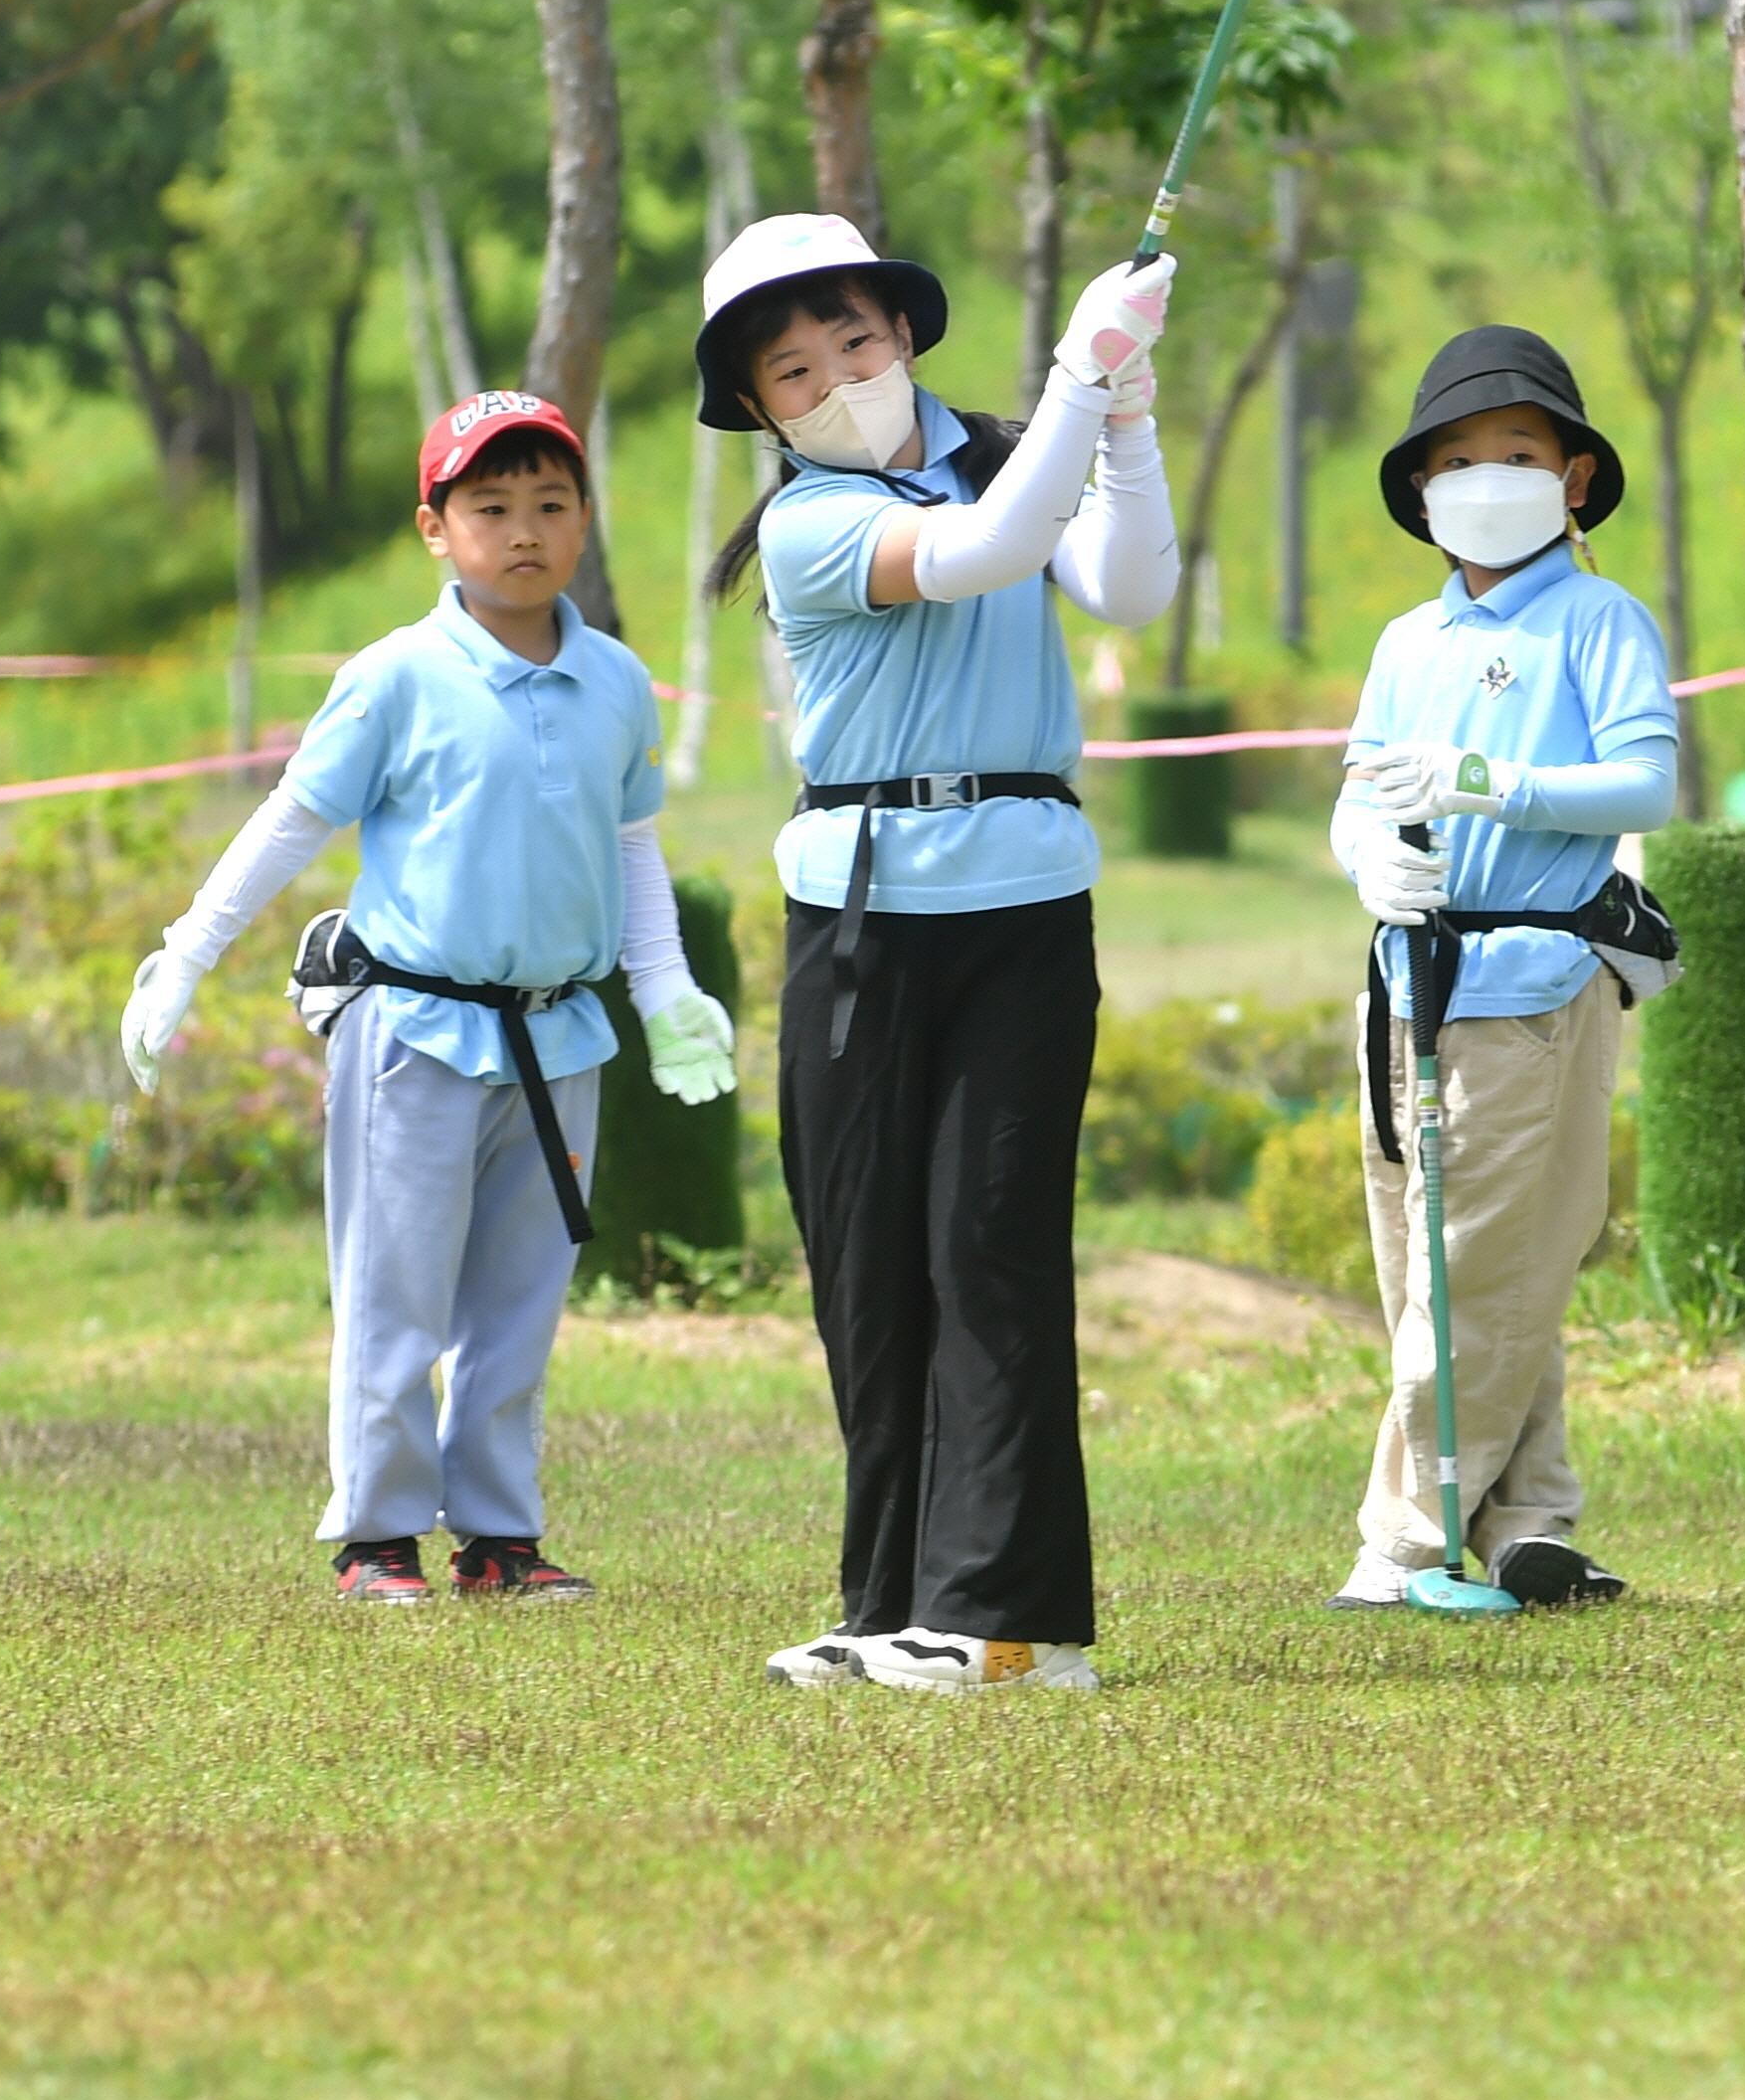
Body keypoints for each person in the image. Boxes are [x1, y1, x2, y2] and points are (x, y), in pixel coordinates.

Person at [118, 388, 738, 1607]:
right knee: (395, 1291)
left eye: (551, 505)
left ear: (585, 519)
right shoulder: (395, 676)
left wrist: (664, 991)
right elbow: (292, 821)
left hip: (560, 1033)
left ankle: (500, 1537)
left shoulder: (617, 680)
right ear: (434, 526)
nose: (524, 531)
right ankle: (377, 1534)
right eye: (491, 506)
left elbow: (633, 847)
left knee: (519, 1298)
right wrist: (188, 952)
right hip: (415, 1029)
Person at [692, 211, 1178, 1695]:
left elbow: (1126, 582)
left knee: (989, 1253)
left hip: (1019, 911)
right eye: (792, 371)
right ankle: (891, 1599)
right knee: (867, 1267)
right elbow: (983, 552)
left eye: (852, 341)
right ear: (763, 413)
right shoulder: (806, 525)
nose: (833, 380)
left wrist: (1123, 417)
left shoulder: (999, 452)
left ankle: (1012, 1624)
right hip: (854, 915)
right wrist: (1080, 388)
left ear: (902, 335)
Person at [1324, 325, 1680, 1614]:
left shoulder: (1597, 619)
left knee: (1476, 1269)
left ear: (1573, 478)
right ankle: (1530, 1517)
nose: (1485, 476)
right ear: (1420, 491)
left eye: (1517, 452)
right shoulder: (1405, 641)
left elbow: (1645, 778)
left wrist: (1486, 783)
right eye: (1457, 458)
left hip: (1528, 987)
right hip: (1407, 981)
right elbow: (1357, 796)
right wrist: (1372, 859)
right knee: (1450, 1263)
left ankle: (1407, 1538)